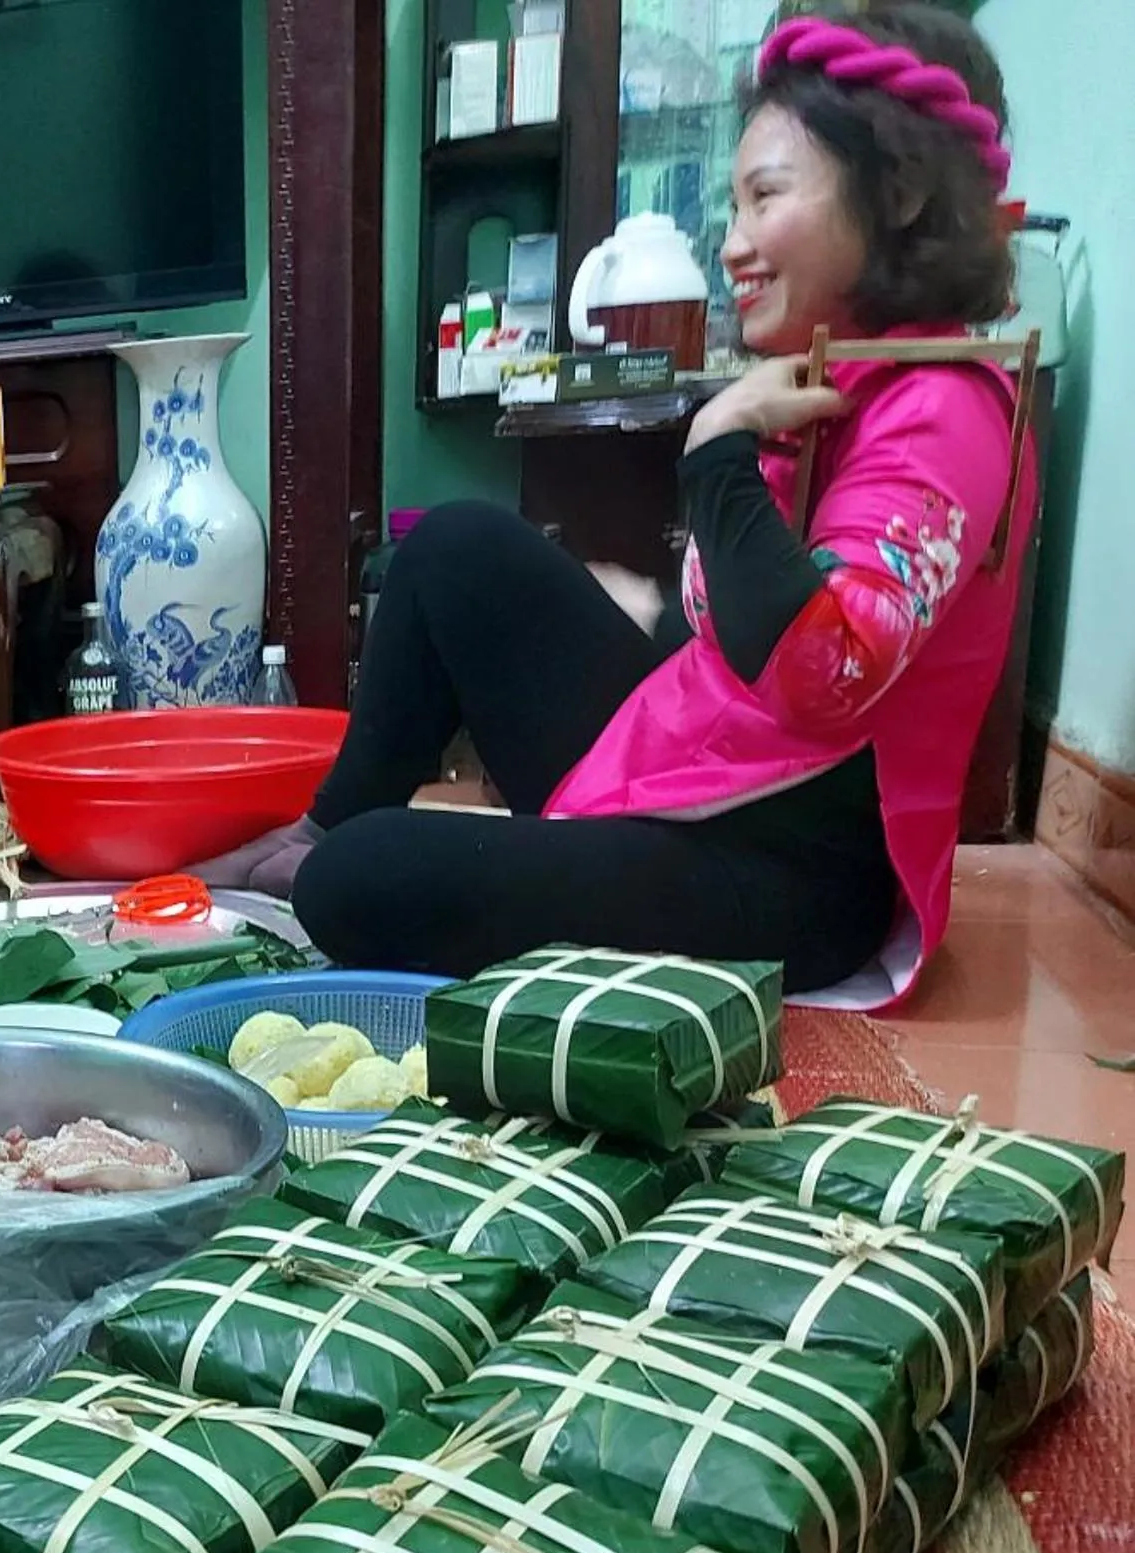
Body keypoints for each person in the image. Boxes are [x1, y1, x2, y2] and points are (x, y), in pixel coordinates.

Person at [204, 1, 1030, 1005]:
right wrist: (649, 606)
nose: (732, 245)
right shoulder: (831, 377)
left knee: (365, 886)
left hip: (788, 878)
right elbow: (740, 630)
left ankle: (343, 861)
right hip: (708, 770)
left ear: (896, 192)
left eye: (764, 197)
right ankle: (322, 825)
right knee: (455, 548)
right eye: (732, 208)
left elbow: (824, 677)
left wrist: (717, 451)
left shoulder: (941, 404)